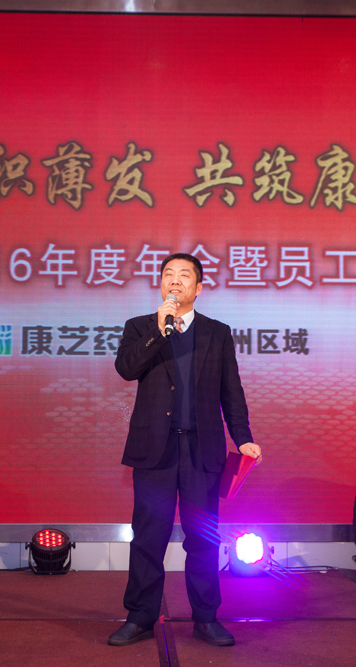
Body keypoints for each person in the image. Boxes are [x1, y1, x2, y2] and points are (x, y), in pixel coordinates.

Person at [108, 253, 262, 648]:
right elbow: (126, 369)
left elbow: (231, 390)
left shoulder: (217, 332)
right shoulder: (141, 326)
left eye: (184, 276)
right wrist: (158, 331)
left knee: (203, 539)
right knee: (148, 537)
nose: (175, 281)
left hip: (201, 451)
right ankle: (139, 617)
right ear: (161, 283)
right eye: (168, 275)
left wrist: (242, 436)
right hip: (154, 452)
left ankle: (206, 618)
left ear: (199, 287)